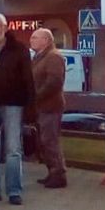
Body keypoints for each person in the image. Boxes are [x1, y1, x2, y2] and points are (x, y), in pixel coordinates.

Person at [0, 13, 36, 205]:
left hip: (13, 103)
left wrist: (30, 107)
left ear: (5, 27)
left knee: (13, 149)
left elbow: (28, 78)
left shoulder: (19, 50)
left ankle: (14, 191)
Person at [30, 27, 68, 189]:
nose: (31, 40)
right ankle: (52, 171)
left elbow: (54, 82)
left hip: (50, 105)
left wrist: (37, 96)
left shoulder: (53, 57)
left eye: (35, 37)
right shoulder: (40, 57)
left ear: (46, 40)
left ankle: (58, 174)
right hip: (43, 106)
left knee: (49, 140)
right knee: (45, 140)